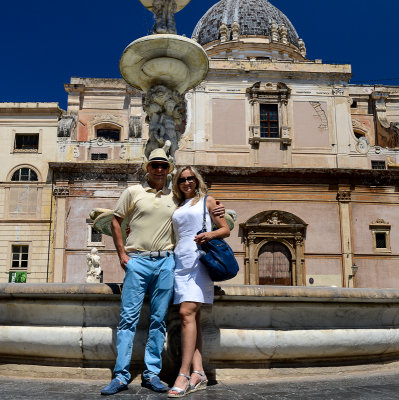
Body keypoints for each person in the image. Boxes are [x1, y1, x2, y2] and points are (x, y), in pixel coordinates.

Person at [101, 150, 224, 396]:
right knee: (128, 320)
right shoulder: (133, 192)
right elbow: (116, 221)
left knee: (158, 321)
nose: (159, 169)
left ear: (169, 170)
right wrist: (122, 255)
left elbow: (197, 205)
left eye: (163, 166)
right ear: (148, 168)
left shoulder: (175, 198)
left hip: (167, 262)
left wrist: (217, 210)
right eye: (154, 165)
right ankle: (121, 375)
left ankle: (151, 374)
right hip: (137, 261)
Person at [167, 166, 230, 398]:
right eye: (182, 179)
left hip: (199, 262)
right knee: (192, 317)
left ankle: (183, 374)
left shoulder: (208, 200)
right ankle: (199, 372)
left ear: (197, 180)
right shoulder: (177, 205)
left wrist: (209, 235)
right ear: (177, 183)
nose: (187, 182)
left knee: (185, 313)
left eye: (190, 178)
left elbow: (225, 229)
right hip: (180, 262)